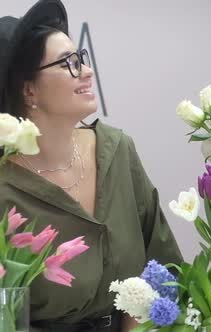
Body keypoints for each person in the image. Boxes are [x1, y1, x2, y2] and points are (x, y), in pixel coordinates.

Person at [0, 1, 184, 331]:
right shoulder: (6, 185)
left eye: (80, 58)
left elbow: (165, 268)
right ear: (29, 90)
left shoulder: (117, 151)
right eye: (68, 63)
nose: (87, 71)